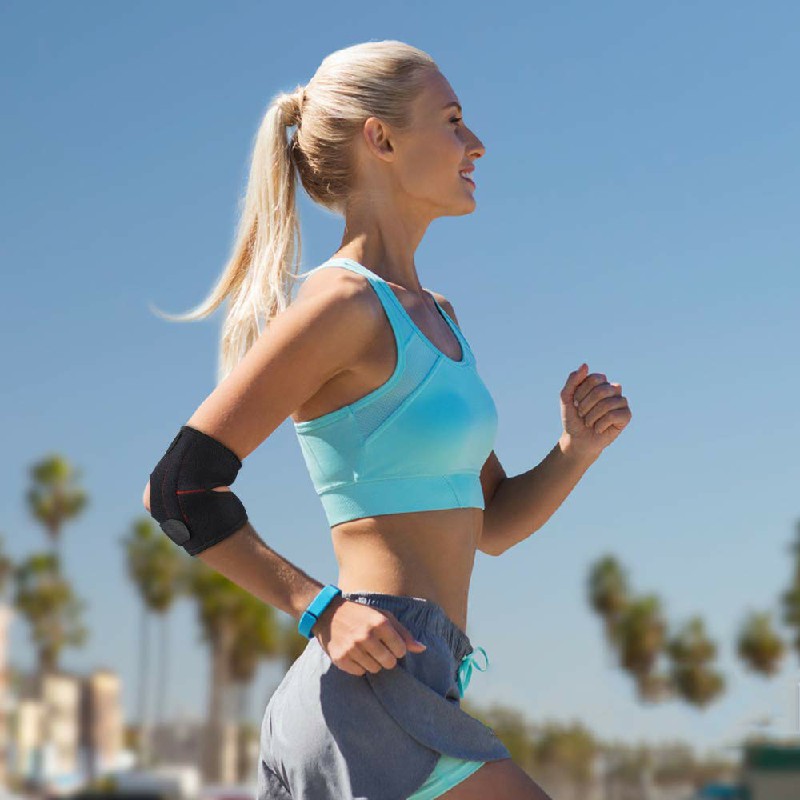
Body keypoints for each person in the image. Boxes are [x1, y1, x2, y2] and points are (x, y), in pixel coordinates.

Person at [143, 40, 631, 800]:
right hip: (368, 682)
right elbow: (179, 488)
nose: (476, 144)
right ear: (381, 138)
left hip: (422, 676)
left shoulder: (439, 318)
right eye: (454, 119)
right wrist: (318, 611)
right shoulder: (342, 306)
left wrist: (574, 450)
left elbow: (490, 524)